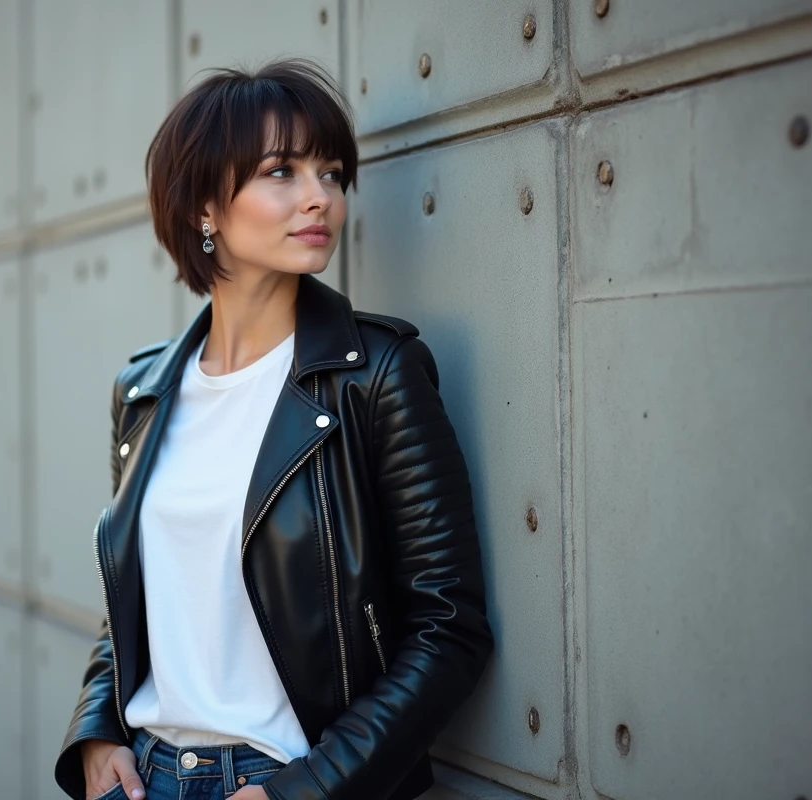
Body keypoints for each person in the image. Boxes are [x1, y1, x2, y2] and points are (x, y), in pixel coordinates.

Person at [55, 57, 493, 800]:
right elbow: (134, 599)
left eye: (331, 174)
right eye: (282, 172)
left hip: (284, 779)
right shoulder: (143, 393)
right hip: (144, 775)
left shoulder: (374, 377)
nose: (320, 197)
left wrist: (309, 789)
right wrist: (97, 729)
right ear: (204, 207)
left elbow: (448, 627)